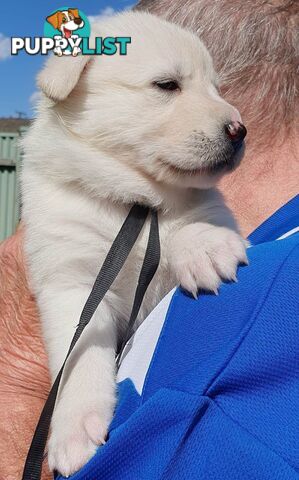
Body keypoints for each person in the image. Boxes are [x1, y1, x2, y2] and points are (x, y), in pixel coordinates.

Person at [0, 0, 298, 478]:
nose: (229, 116)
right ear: (71, 82)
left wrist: (195, 233)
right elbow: (71, 291)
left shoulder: (189, 194)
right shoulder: (55, 192)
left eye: (213, 87)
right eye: (167, 85)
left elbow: (201, 223)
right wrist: (78, 403)